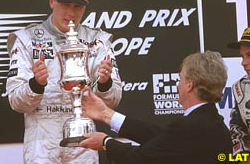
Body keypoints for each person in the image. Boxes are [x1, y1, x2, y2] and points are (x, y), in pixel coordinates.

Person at [5, 0, 122, 164]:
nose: (71, 13)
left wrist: (105, 83)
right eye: (65, 5)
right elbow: (16, 102)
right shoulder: (26, 40)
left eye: (78, 7)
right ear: (52, 1)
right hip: (42, 141)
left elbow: (114, 100)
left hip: (84, 139)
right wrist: (36, 85)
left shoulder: (98, 41)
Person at [79, 51, 232, 164]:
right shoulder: (215, 125)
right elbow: (158, 138)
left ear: (189, 85)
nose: (177, 84)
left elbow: (141, 158)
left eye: (180, 78)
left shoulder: (188, 126)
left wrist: (105, 142)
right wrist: (106, 114)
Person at [228, 27, 250, 163]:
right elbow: (237, 129)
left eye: (249, 55)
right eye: (242, 56)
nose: (243, 62)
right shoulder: (240, 88)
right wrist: (244, 158)